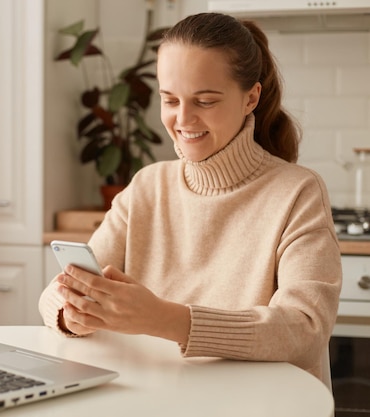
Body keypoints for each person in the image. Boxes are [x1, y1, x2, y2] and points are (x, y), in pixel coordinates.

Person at [39, 12, 342, 386]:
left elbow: (305, 329)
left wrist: (166, 319)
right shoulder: (147, 186)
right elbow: (58, 291)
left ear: (251, 98)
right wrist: (71, 313)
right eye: (170, 100)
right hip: (157, 398)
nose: (183, 119)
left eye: (205, 101)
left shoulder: (298, 192)